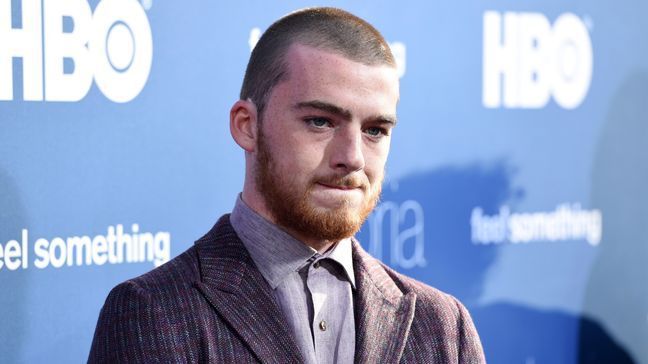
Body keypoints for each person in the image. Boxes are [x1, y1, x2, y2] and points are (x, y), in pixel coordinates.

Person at [88, 7, 485, 363]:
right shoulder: (155, 314)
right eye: (320, 121)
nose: (354, 157)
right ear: (247, 126)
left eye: (375, 130)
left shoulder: (444, 327)